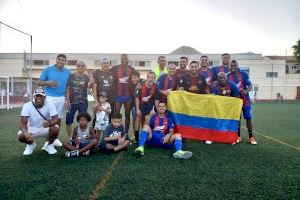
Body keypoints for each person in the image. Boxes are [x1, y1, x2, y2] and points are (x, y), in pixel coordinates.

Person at [38, 53, 71, 147]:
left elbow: (68, 86)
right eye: (59, 59)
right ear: (56, 60)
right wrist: (49, 82)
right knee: (49, 119)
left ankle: (55, 138)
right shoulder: (48, 70)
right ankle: (47, 141)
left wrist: (67, 98)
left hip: (61, 98)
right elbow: (39, 82)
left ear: (65, 62)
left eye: (63, 60)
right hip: (49, 97)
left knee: (58, 119)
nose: (61, 61)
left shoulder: (67, 72)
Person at [18, 87, 60, 155]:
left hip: (45, 127)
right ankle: (31, 144)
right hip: (31, 128)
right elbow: (23, 124)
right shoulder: (27, 105)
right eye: (37, 96)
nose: (39, 98)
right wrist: (25, 132)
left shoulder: (49, 104)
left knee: (55, 128)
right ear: (34, 97)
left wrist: (50, 124)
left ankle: (49, 145)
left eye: (41, 96)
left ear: (45, 97)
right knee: (21, 137)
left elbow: (56, 119)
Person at [227, 60, 257, 145]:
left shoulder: (243, 74)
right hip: (235, 101)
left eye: (234, 65)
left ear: (237, 66)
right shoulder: (227, 76)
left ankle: (251, 137)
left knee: (248, 118)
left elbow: (250, 85)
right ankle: (238, 136)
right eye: (231, 66)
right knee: (237, 118)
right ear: (229, 67)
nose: (233, 67)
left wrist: (246, 91)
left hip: (245, 100)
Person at [65, 61, 92, 140]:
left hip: (83, 102)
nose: (80, 67)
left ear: (85, 67)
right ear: (76, 66)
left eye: (82, 65)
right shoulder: (71, 76)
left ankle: (82, 137)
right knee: (68, 120)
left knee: (83, 120)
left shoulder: (87, 77)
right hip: (71, 102)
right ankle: (70, 138)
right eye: (79, 65)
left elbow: (90, 88)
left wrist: (92, 82)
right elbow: (68, 88)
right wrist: (67, 100)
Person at [111, 54, 135, 133]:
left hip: (128, 96)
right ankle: (116, 131)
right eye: (123, 58)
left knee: (127, 115)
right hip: (118, 95)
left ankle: (126, 133)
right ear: (120, 59)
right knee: (116, 115)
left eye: (126, 58)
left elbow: (136, 78)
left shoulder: (132, 69)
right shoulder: (115, 68)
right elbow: (108, 74)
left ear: (128, 59)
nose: (124, 60)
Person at [135, 71, 159, 142]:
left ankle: (145, 135)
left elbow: (156, 100)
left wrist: (155, 110)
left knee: (147, 119)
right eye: (149, 77)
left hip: (150, 107)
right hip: (141, 106)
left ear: (155, 79)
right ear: (147, 77)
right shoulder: (140, 85)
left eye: (153, 77)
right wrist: (137, 109)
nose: (151, 79)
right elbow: (136, 97)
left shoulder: (156, 87)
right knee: (138, 117)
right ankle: (136, 137)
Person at [92, 57, 115, 123]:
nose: (105, 64)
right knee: (97, 118)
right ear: (101, 64)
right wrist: (96, 101)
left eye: (107, 63)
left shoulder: (113, 73)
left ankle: (108, 133)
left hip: (110, 100)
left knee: (110, 118)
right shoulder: (96, 73)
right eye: (103, 63)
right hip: (100, 100)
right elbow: (94, 88)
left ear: (109, 64)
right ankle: (95, 133)